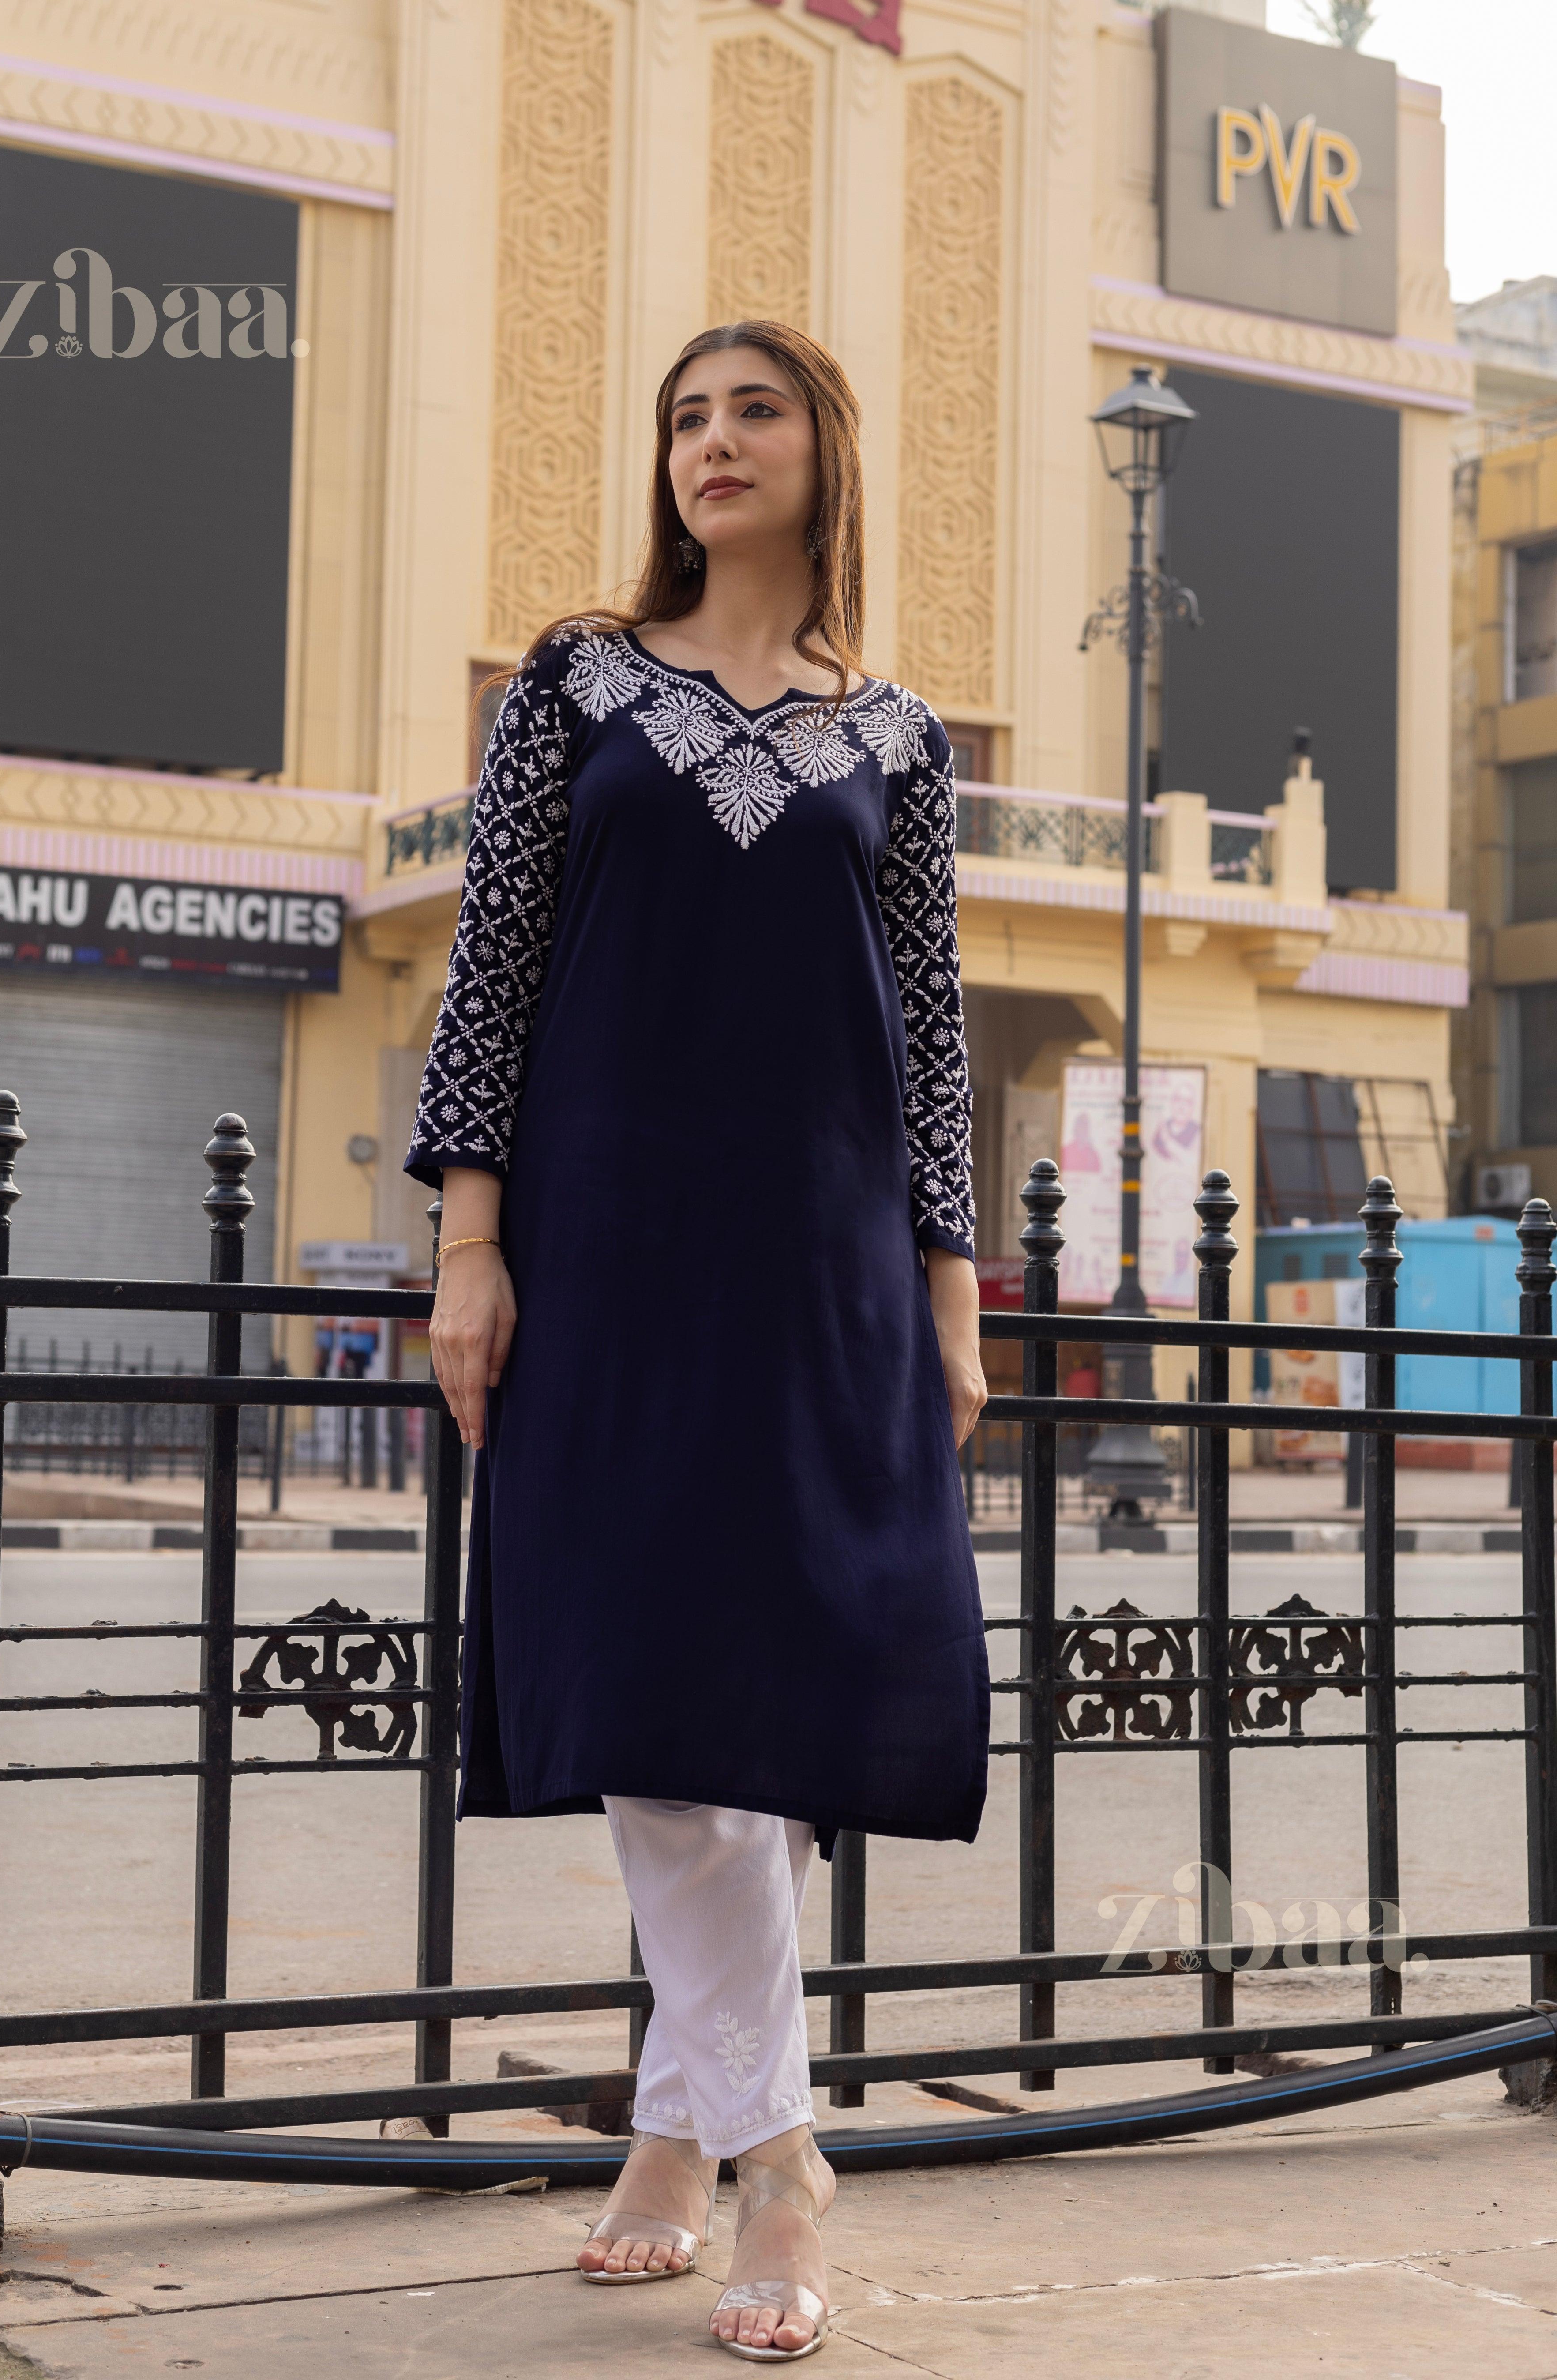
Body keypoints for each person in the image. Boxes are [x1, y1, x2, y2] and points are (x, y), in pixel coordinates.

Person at [405, 320, 989, 2361]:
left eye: (750, 413)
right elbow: (489, 968)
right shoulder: (576, 681)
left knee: (762, 1701)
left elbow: (929, 1038)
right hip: (609, 1238)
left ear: (825, 452)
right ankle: (781, 2158)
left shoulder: (902, 737)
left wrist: (948, 1295)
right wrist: (469, 1239)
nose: (711, 445)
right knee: (651, 1694)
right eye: (681, 417)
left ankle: (679, 2130)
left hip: (821, 1256)